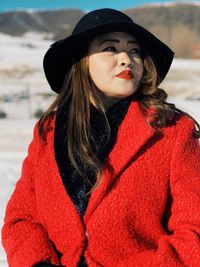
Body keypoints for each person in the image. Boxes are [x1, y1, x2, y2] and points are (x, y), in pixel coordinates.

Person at [2, 8, 200, 267]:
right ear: (81, 60)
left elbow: (194, 232)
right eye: (110, 48)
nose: (126, 59)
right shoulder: (48, 133)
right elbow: (22, 220)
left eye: (134, 50)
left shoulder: (172, 131)